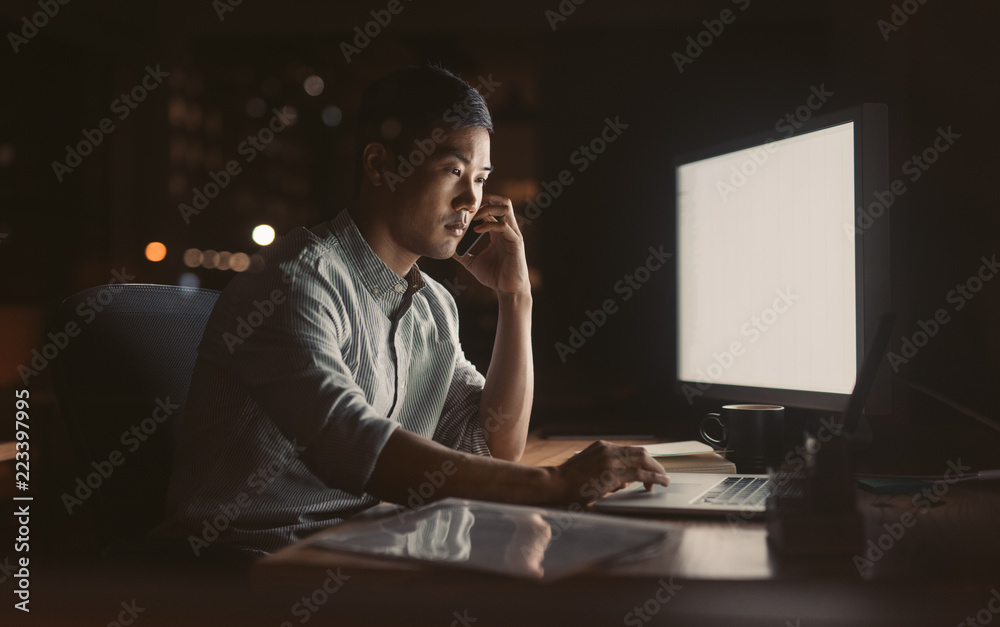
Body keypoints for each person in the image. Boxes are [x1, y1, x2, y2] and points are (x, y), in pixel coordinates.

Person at [152, 64, 668, 556]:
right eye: (453, 170)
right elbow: (347, 445)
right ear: (380, 164)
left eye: (483, 178)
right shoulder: (293, 278)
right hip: (249, 562)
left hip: (363, 548)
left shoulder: (432, 307)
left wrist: (516, 298)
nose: (471, 198)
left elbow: (495, 442)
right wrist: (554, 483)